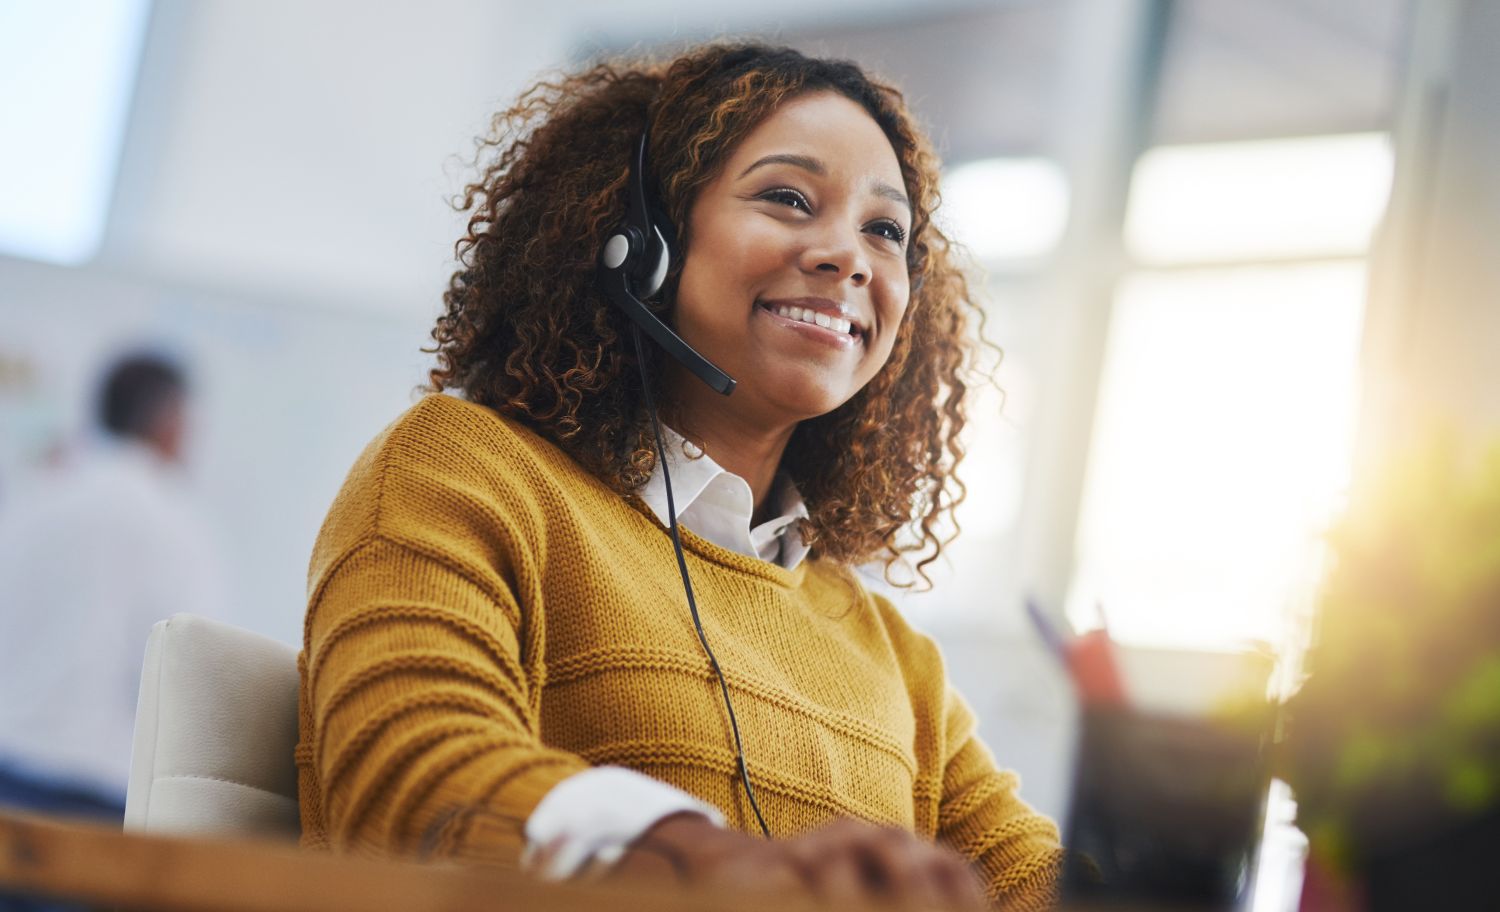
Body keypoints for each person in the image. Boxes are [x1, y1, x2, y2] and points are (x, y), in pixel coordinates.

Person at [297, 43, 1064, 911]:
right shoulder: (466, 470)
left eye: (884, 231)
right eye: (787, 198)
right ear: (640, 242)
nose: (847, 256)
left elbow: (1031, 884)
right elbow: (409, 780)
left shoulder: (890, 651)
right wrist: (701, 863)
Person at [0, 353, 228, 819]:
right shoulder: (172, 518)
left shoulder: (39, 492)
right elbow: (192, 677)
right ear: (171, 421)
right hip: (91, 799)